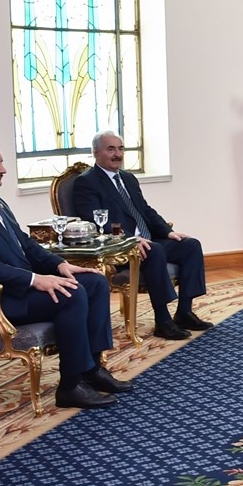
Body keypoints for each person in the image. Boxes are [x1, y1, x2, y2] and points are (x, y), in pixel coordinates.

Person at [0, 136, 130, 409]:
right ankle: (70, 386)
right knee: (71, 295)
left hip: (14, 290)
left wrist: (59, 265)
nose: (3, 169)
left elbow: (25, 244)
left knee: (94, 282)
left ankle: (92, 370)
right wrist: (35, 279)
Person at [72, 131, 210, 340]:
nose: (118, 154)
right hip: (120, 246)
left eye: (120, 149)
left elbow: (145, 210)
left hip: (148, 240)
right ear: (96, 152)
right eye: (111, 149)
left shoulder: (127, 178)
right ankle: (163, 320)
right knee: (155, 250)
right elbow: (95, 220)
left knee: (190, 245)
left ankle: (184, 312)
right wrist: (129, 239)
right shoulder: (86, 182)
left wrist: (168, 231)